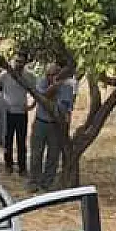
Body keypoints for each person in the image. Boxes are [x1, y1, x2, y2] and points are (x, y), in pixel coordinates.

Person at [29, 63, 75, 192]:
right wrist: (54, 86)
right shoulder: (41, 82)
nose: (50, 77)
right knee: (36, 154)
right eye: (48, 75)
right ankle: (34, 181)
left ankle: (47, 182)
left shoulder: (67, 87)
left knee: (53, 155)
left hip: (56, 125)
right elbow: (45, 95)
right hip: (41, 122)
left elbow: (66, 108)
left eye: (53, 74)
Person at [0, 53, 36, 175]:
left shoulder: (29, 76)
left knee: (21, 141)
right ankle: (8, 165)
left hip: (21, 113)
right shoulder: (4, 75)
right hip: (7, 113)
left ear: (25, 63)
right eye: (17, 61)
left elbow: (37, 92)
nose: (18, 64)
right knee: (7, 140)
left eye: (21, 62)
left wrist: (31, 105)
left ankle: (22, 167)